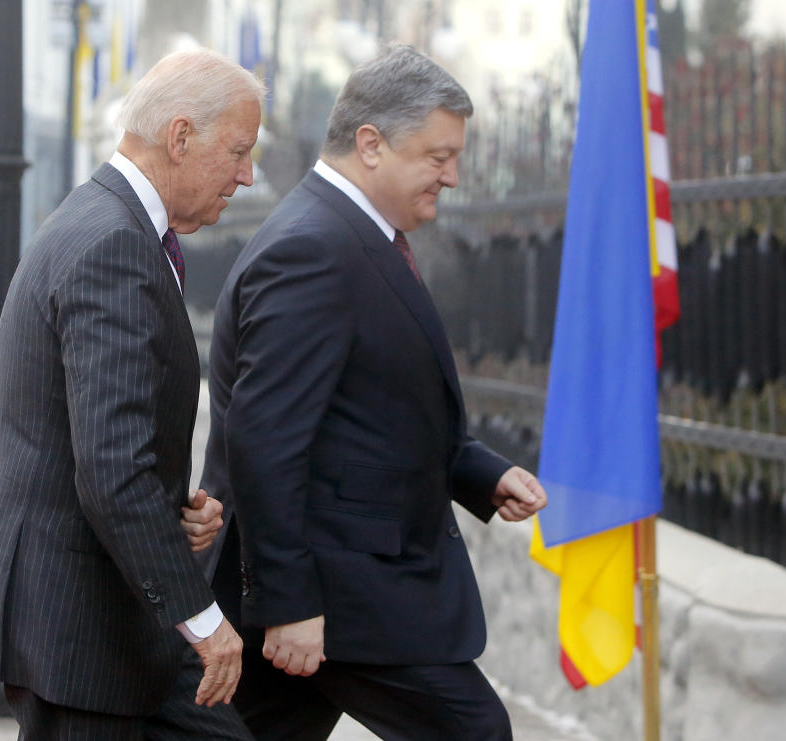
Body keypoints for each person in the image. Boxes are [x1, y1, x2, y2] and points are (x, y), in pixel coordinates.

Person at [198, 44, 548, 740]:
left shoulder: (351, 234)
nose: (450, 176)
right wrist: (290, 602)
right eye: (436, 155)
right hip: (339, 591)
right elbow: (263, 440)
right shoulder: (314, 247)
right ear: (370, 144)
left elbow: (369, 411)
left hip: (339, 583)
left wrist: (480, 471)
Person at [0, 48, 263, 740]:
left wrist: (170, 509)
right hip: (76, 621)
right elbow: (109, 470)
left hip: (107, 609)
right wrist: (206, 620)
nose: (246, 175)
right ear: (180, 136)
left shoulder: (108, 219)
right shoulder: (112, 244)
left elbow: (95, 435)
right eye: (238, 151)